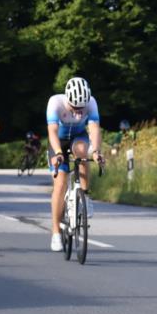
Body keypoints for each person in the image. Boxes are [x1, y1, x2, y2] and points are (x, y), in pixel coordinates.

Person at [46, 77, 104, 252]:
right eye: (74, 108)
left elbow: (94, 128)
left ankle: (85, 196)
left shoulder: (91, 102)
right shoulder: (55, 102)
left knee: (82, 152)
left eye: (81, 108)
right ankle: (56, 233)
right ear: (68, 99)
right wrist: (58, 153)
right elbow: (52, 131)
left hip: (78, 137)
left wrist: (96, 151)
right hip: (58, 141)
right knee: (60, 184)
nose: (78, 112)